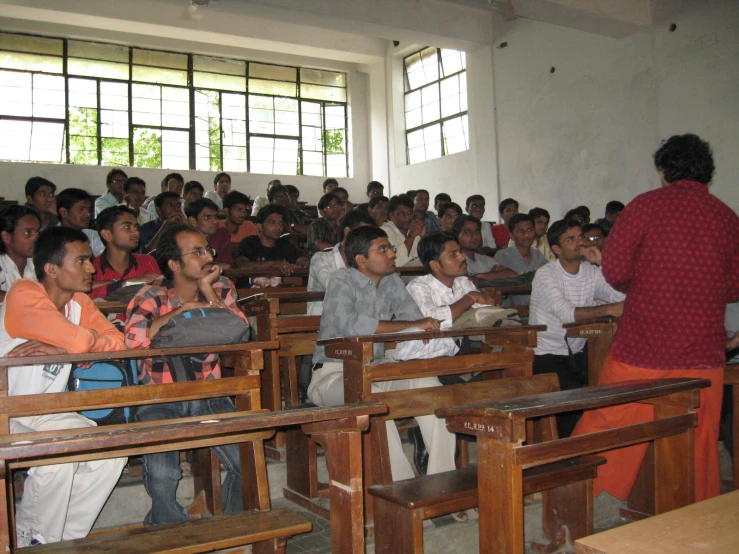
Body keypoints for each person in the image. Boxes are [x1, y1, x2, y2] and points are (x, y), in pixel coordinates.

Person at [572, 133, 739, 503]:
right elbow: (734, 286)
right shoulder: (727, 217)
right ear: (707, 174)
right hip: (701, 352)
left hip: (643, 345)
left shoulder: (646, 206)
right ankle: (695, 527)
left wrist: (646, 284)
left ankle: (571, 505)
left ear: (664, 170)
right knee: (696, 439)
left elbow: (614, 269)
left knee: (606, 426)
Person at [308, 226, 463, 494]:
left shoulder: (391, 280)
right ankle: (400, 491)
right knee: (376, 403)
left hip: (378, 371)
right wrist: (411, 325)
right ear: (361, 260)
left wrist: (416, 326)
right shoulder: (341, 281)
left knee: (431, 389)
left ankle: (442, 485)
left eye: (390, 247)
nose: (392, 253)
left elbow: (412, 315)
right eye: (383, 249)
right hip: (333, 375)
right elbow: (350, 325)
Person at [0, 227, 126, 546]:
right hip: (7, 411)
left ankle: (62, 540)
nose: (91, 268)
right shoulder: (24, 292)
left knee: (110, 451)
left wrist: (65, 346)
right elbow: (80, 339)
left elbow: (120, 341)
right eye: (81, 260)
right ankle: (33, 537)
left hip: (44, 411)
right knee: (59, 455)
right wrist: (75, 344)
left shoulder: (79, 303)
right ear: (52, 269)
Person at [124, 224, 247, 526]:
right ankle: (168, 529)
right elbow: (133, 340)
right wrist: (181, 311)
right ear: (175, 264)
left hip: (207, 394)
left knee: (246, 460)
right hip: (159, 398)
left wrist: (207, 291)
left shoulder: (222, 289)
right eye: (198, 252)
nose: (208, 256)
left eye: (208, 249)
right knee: (165, 474)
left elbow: (239, 330)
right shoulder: (152, 295)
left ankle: (231, 529)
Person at [529, 219, 624, 438]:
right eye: (570, 239)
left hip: (579, 349)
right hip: (547, 352)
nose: (579, 242)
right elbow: (567, 315)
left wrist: (603, 264)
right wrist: (608, 310)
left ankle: (598, 443)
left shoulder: (590, 271)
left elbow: (620, 298)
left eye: (581, 236)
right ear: (556, 249)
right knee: (574, 399)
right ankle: (568, 453)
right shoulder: (546, 274)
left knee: (611, 383)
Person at [307, 211, 375, 316]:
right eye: (364, 235)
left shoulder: (367, 260)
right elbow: (335, 288)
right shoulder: (321, 259)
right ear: (347, 232)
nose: (368, 241)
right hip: (321, 323)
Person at [90, 206, 161, 300]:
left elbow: (161, 295)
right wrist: (127, 283)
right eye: (127, 227)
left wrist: (114, 286)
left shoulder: (147, 262)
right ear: (107, 235)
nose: (135, 232)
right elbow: (86, 296)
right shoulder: (92, 268)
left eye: (136, 227)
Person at [235, 205, 307, 284]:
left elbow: (300, 260)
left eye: (281, 224)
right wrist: (272, 264)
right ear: (259, 226)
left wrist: (302, 263)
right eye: (272, 223)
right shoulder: (249, 243)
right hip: (250, 292)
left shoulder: (285, 244)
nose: (278, 227)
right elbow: (241, 265)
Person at [453, 215, 515, 282]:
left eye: (477, 232)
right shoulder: (455, 260)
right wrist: (493, 275)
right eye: (468, 232)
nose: (474, 236)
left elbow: (512, 274)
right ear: (456, 236)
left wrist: (479, 276)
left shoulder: (484, 259)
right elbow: (465, 281)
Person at [0, 206, 40, 300]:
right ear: (6, 237)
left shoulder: (39, 262)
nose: (36, 239)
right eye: (27, 233)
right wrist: (22, 299)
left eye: (37, 232)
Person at [186, 198, 233, 269]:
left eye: (216, 216)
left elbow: (227, 266)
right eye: (207, 217)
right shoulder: (183, 238)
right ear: (193, 221)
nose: (215, 221)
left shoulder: (222, 234)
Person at [56, 188, 105, 256]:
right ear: (64, 212)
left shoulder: (92, 236)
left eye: (89, 209)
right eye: (81, 209)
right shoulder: (49, 238)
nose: (88, 214)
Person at [381, 194, 424, 267]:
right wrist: (411, 237)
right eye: (402, 213)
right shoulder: (384, 232)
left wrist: (423, 237)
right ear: (392, 216)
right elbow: (396, 262)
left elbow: (424, 258)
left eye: (409, 213)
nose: (407, 217)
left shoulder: (415, 229)